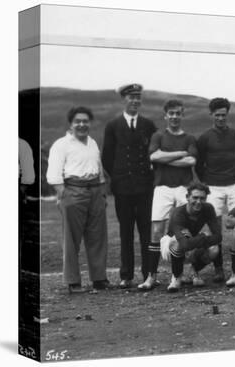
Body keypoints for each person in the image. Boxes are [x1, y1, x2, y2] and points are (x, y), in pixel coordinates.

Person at [46, 106, 109, 293]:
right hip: (73, 191)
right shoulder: (61, 145)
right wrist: (63, 195)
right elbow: (54, 175)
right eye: (77, 121)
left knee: (98, 237)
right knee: (72, 239)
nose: (82, 124)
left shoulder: (92, 143)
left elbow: (99, 169)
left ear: (90, 123)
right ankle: (73, 282)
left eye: (85, 121)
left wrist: (102, 193)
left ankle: (99, 279)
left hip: (95, 192)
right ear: (71, 124)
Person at [139, 99, 199, 290]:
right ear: (165, 115)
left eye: (178, 113)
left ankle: (182, 275)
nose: (174, 116)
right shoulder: (158, 136)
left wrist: (165, 158)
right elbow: (153, 157)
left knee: (186, 230)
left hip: (184, 188)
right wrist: (179, 153)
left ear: (183, 115)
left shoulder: (189, 138)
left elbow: (190, 161)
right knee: (156, 231)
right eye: (171, 113)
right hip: (162, 187)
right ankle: (151, 277)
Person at [102, 83, 158, 289]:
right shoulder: (113, 125)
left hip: (145, 187)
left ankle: (147, 274)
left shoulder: (148, 125)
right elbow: (107, 156)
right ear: (124, 99)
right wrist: (118, 177)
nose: (135, 101)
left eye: (138, 97)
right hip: (123, 188)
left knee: (146, 232)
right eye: (131, 97)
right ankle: (126, 275)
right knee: (126, 231)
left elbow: (154, 152)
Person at [196, 97, 235, 282]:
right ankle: (218, 269)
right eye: (217, 115)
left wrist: (234, 177)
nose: (221, 118)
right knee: (215, 228)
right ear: (211, 115)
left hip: (233, 185)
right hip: (213, 187)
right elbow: (199, 165)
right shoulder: (205, 137)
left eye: (224, 115)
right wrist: (208, 182)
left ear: (227, 114)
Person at [159, 182, 222, 292]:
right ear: (187, 197)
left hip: (192, 241)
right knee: (180, 240)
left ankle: (193, 270)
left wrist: (201, 240)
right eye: (195, 197)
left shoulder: (208, 208)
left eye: (202, 198)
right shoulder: (178, 213)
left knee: (214, 249)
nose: (198, 202)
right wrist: (203, 237)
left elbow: (218, 237)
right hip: (171, 244)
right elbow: (184, 244)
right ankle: (176, 276)